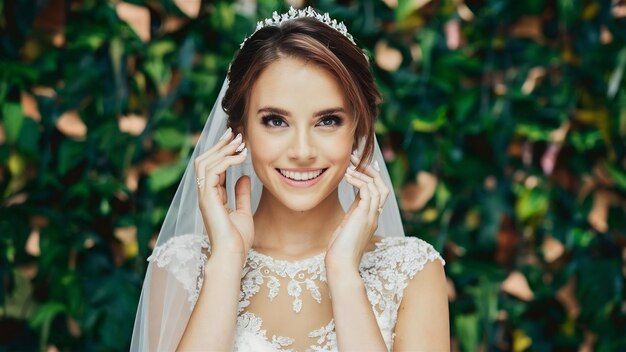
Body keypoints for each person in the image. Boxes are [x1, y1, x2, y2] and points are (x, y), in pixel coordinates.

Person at [131, 7, 449, 351]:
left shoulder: (413, 271)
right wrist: (225, 263)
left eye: (327, 120)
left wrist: (343, 272)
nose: (302, 151)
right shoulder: (181, 268)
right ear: (240, 129)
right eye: (275, 121)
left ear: (357, 127)